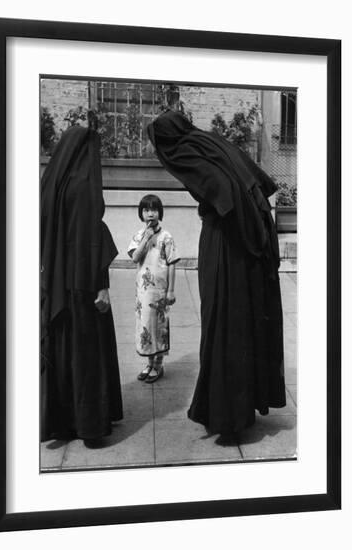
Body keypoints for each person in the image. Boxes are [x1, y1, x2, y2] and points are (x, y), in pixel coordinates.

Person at [147, 109, 286, 436]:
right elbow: (252, 186)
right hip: (246, 241)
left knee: (223, 320)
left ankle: (227, 414)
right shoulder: (211, 143)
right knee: (239, 318)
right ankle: (236, 408)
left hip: (227, 242)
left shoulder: (189, 151)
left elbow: (224, 194)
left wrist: (220, 217)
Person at [40, 124, 123, 445]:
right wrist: (102, 284)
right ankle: (90, 424)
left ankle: (63, 423)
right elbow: (91, 237)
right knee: (87, 355)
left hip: (59, 283)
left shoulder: (52, 183)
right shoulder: (85, 184)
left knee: (64, 352)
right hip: (84, 284)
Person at [127, 194, 180, 383]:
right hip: (143, 292)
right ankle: (149, 363)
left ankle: (158, 364)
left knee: (159, 326)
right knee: (145, 325)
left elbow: (172, 263)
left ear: (160, 212)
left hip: (160, 291)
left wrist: (171, 290)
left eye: (154, 210)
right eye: (146, 210)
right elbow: (135, 258)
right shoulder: (138, 235)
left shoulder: (167, 237)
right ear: (141, 213)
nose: (150, 214)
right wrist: (146, 239)